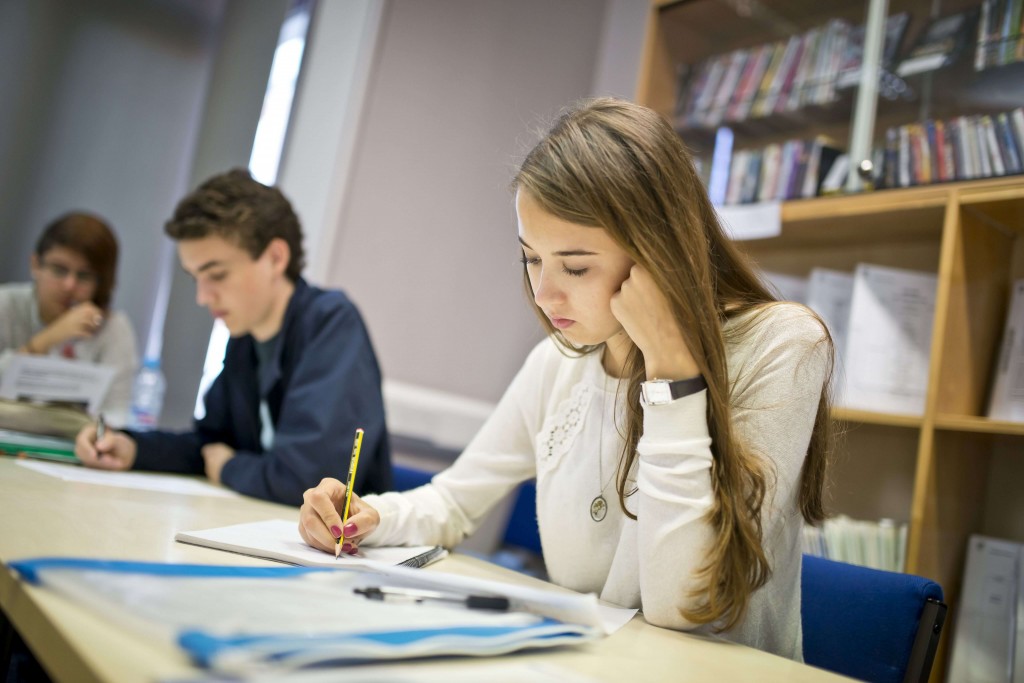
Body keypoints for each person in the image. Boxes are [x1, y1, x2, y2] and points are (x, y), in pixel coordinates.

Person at [298, 99, 834, 660]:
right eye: (532, 259)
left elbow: (683, 608)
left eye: (575, 267)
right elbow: (455, 503)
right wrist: (369, 517)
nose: (544, 295)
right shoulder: (563, 358)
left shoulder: (784, 345)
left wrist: (672, 371)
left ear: (660, 253)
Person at [74, 169, 392, 505]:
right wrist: (131, 448)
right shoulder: (245, 337)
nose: (202, 296)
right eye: (195, 277)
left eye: (217, 275)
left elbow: (307, 481)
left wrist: (228, 467)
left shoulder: (332, 324)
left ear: (275, 258)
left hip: (342, 551)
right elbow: (208, 444)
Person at [0, 213, 138, 425]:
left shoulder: (113, 328)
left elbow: (116, 415)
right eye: (59, 270)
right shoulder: (6, 303)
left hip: (74, 448)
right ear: (35, 265)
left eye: (84, 276)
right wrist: (47, 339)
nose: (69, 285)